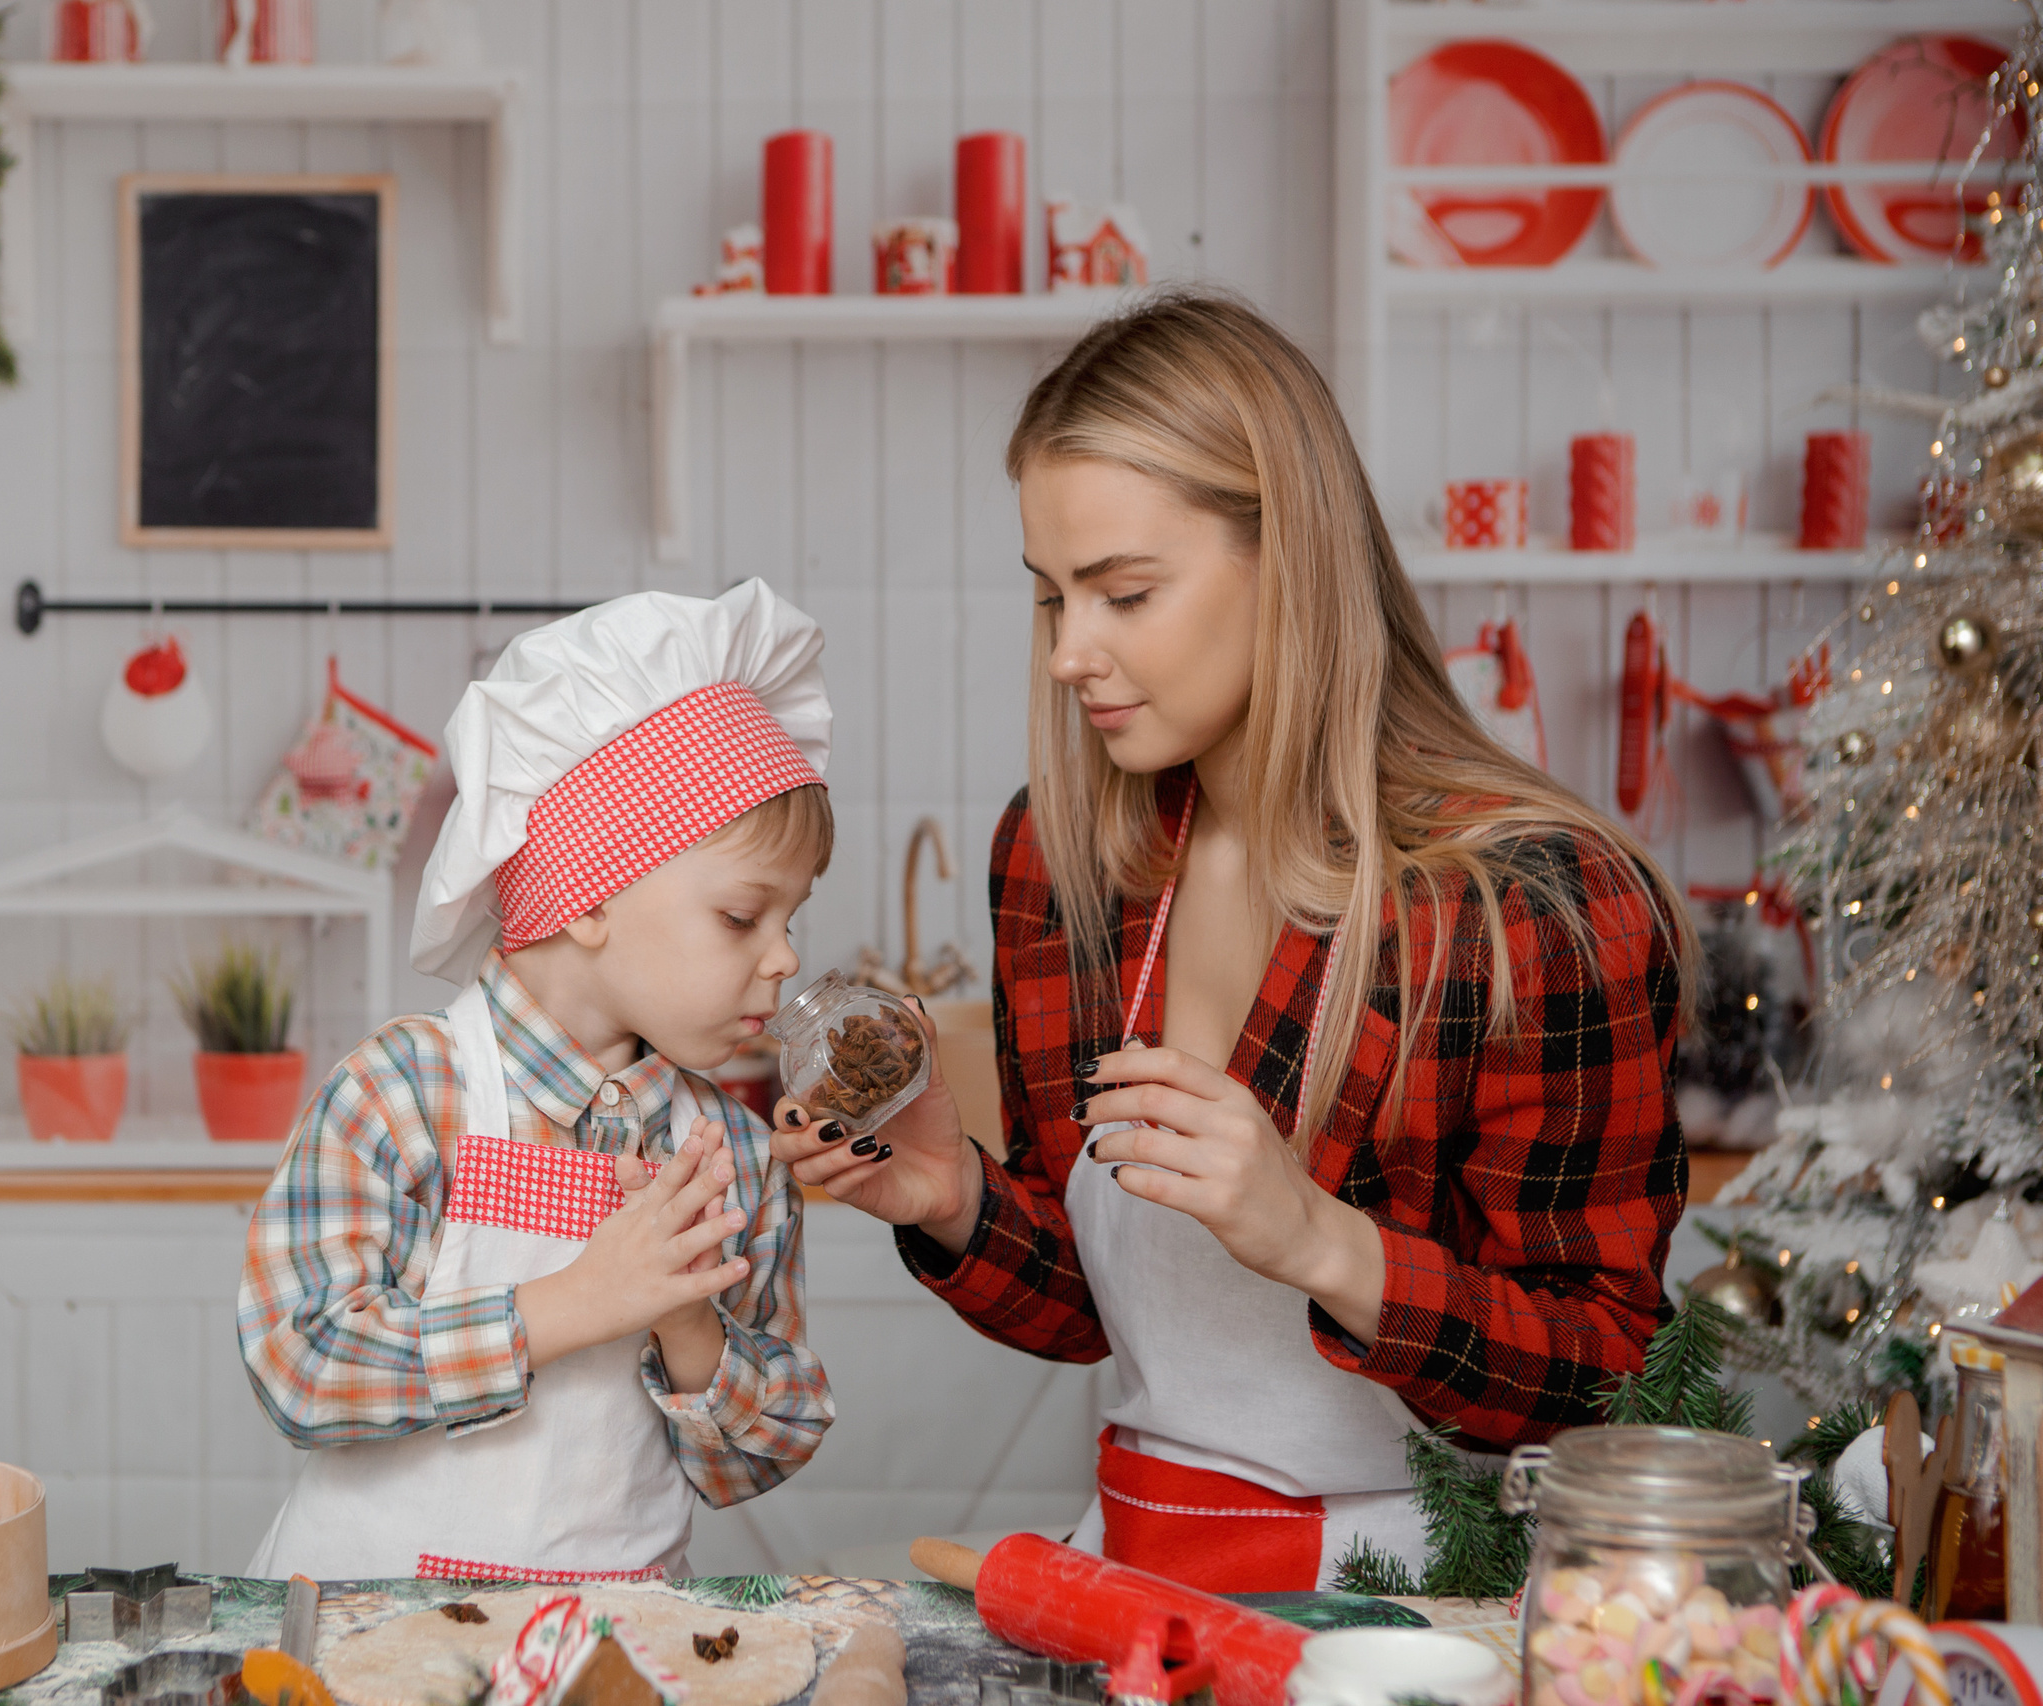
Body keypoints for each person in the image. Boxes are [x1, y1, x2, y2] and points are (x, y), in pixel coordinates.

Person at [771, 292, 1694, 1593]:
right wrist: (954, 1196)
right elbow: (1103, 1314)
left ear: (1290, 562)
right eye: (1051, 597)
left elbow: (1605, 1377)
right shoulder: (1060, 860)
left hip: (1432, 1617)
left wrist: (1316, 1237)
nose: (1069, 653)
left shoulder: (1530, 905)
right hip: (1146, 1576)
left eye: (1124, 592)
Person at [240, 580, 837, 1583]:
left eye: (792, 918)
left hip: (616, 1653)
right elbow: (301, 1365)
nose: (783, 959)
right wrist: (575, 1302)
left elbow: (757, 1458)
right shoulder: (403, 1093)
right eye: (743, 916)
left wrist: (683, 1316)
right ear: (590, 893)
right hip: (373, 1640)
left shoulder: (727, 1153)